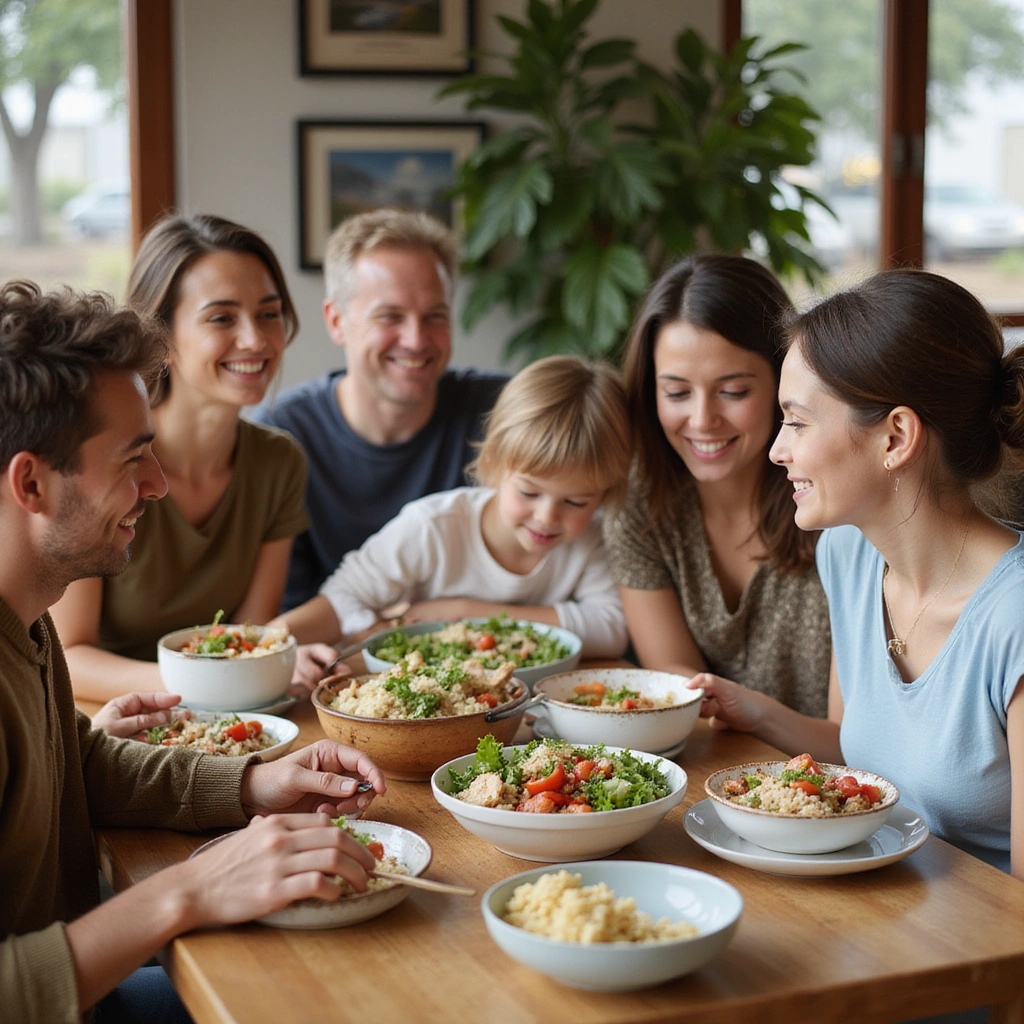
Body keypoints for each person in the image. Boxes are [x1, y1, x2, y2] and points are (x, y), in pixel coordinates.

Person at [0, 281, 386, 1023]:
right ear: (32, 482)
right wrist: (186, 892)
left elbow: (77, 764)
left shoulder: (26, 611)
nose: (156, 484)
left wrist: (252, 784)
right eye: (132, 457)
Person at [694, 269, 1024, 879]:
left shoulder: (1015, 618)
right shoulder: (847, 555)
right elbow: (854, 744)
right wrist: (756, 710)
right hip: (879, 908)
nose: (776, 450)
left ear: (895, 436)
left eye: (796, 421)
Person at [51, 214, 309, 701]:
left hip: (221, 720)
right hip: (103, 730)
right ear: (161, 337)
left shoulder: (279, 462)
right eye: (221, 318)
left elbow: (244, 638)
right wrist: (210, 684)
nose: (255, 339)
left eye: (269, 313)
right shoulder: (102, 462)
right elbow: (70, 653)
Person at [277, 356, 630, 682]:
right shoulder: (433, 527)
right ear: (493, 464)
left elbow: (612, 628)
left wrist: (459, 612)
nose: (547, 516)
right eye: (529, 493)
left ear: (604, 496)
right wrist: (277, 649)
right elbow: (343, 597)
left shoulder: (590, 539)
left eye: (576, 501)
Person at [602, 255, 830, 718]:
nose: (703, 420)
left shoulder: (832, 498)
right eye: (677, 393)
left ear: (782, 382)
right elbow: (678, 687)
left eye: (733, 391)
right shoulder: (638, 502)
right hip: (711, 768)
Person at [254, 208, 507, 612]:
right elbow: (288, 615)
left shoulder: (502, 412)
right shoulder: (281, 436)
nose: (416, 339)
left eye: (434, 317)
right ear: (336, 321)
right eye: (390, 316)